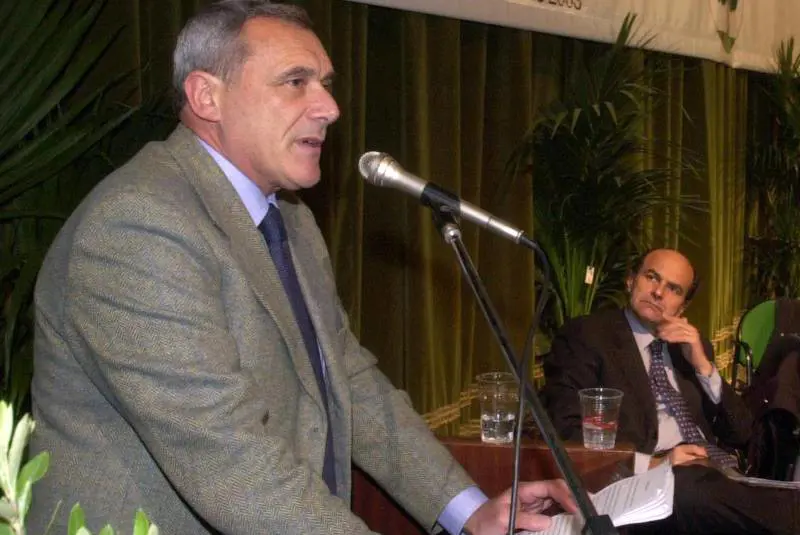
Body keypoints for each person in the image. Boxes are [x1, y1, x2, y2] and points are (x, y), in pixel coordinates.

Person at [27, 1, 575, 534]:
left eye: (326, 84)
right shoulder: (139, 225)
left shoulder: (289, 219)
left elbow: (349, 382)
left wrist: (467, 511)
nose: (329, 107)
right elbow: (229, 462)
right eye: (295, 82)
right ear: (206, 96)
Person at [542, 248, 800, 533]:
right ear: (631, 280)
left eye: (673, 289)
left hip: (716, 474)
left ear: (682, 307)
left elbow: (742, 433)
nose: (658, 292)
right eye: (652, 277)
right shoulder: (587, 336)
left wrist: (703, 367)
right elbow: (565, 431)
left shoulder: (690, 346)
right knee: (689, 487)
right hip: (654, 482)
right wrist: (655, 464)